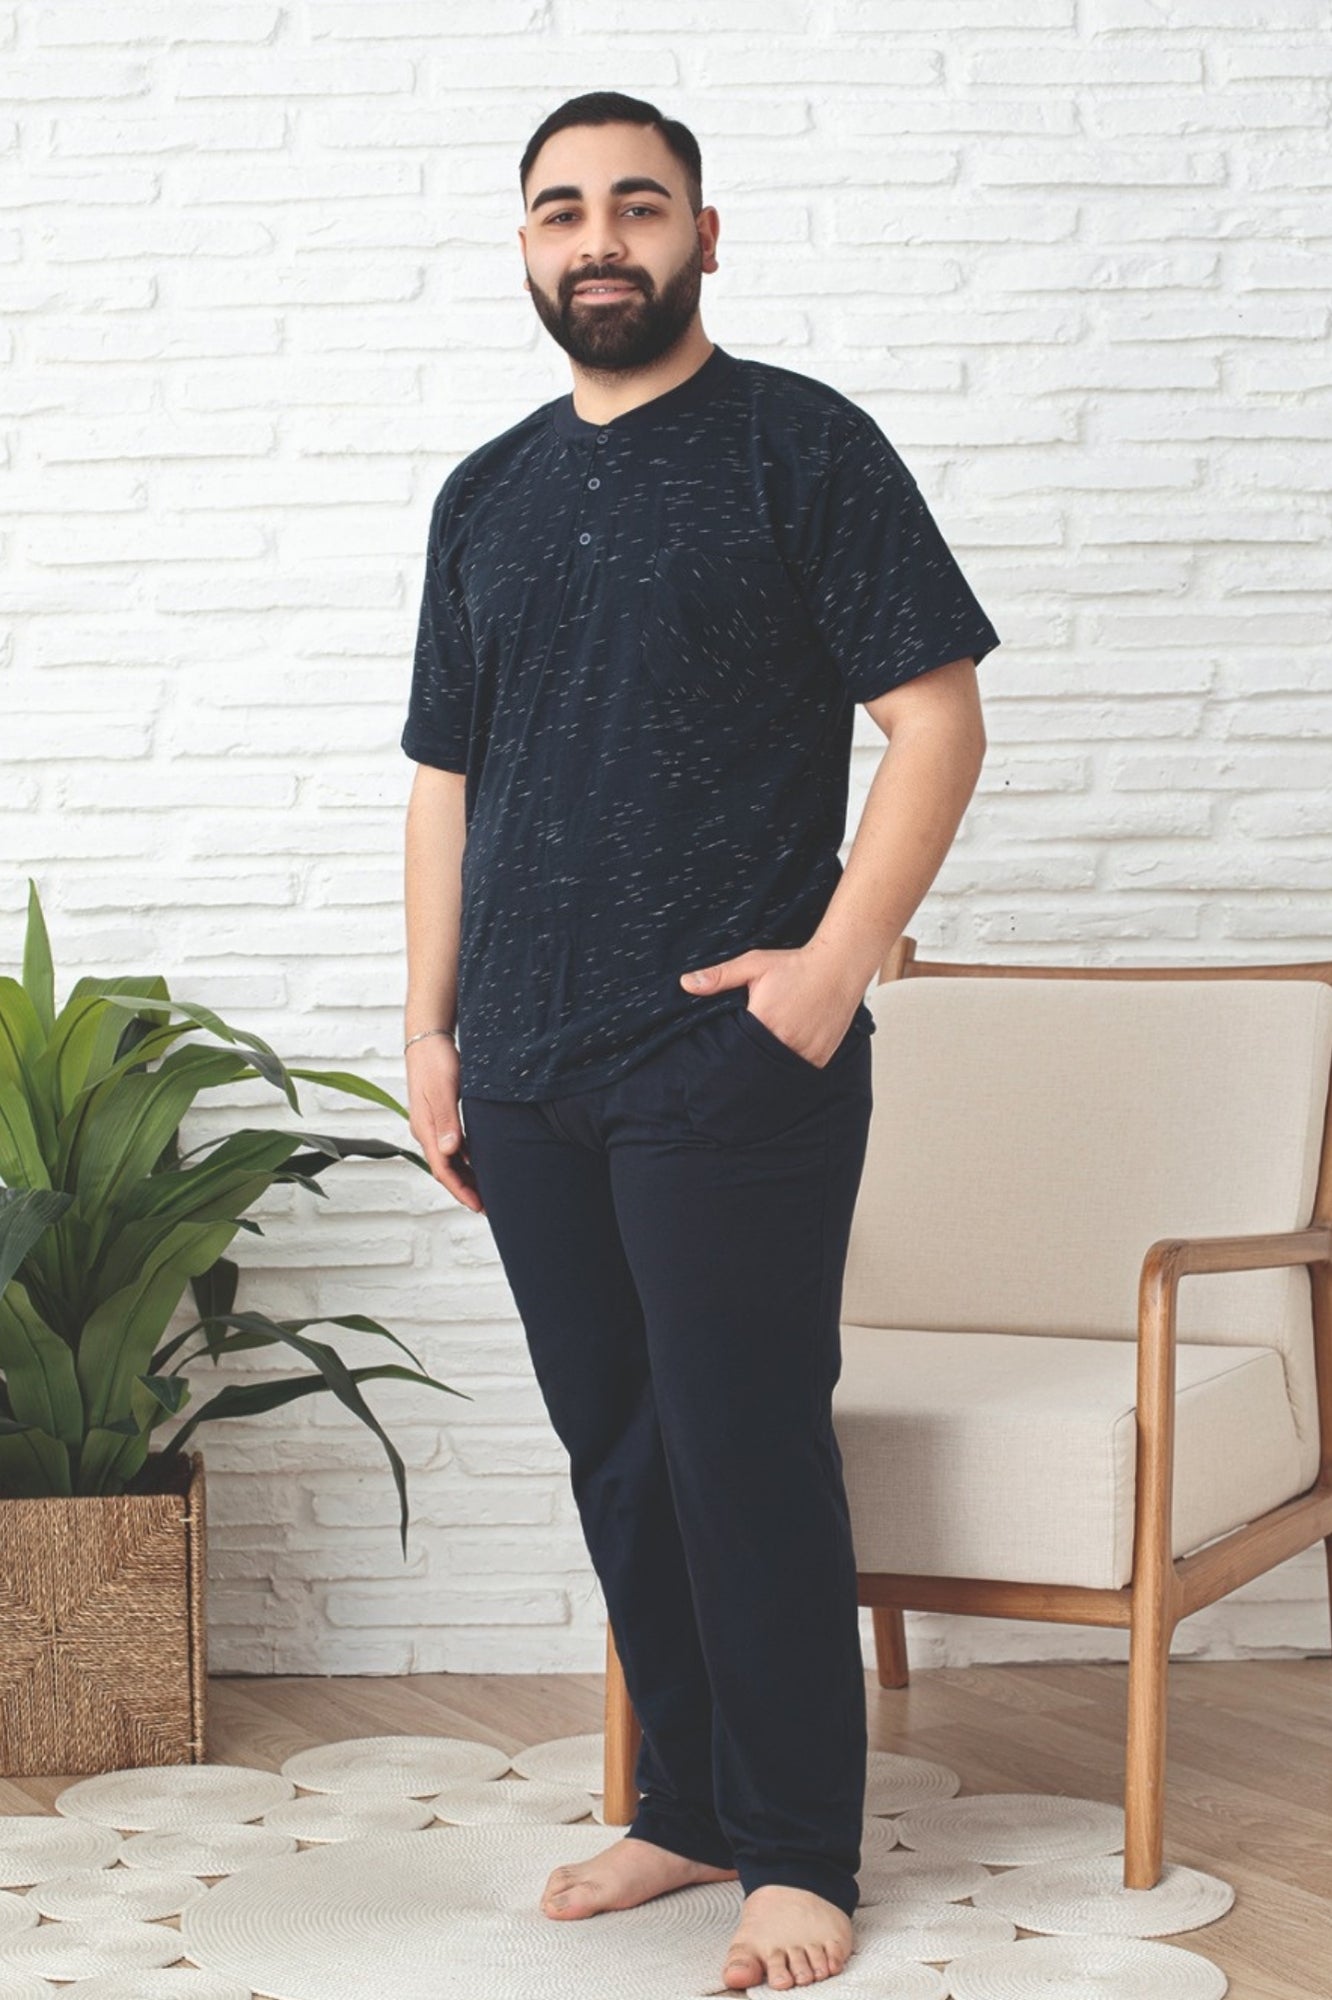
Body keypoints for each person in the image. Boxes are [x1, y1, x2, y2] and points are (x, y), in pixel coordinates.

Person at [401, 89, 1000, 1994]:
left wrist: (831, 971)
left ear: (703, 237)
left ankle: (799, 1853)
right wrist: (427, 1029)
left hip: (728, 1058)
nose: (600, 236)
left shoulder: (799, 444)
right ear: (525, 248)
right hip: (524, 1060)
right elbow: (445, 783)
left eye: (638, 204)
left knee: (742, 1446)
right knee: (620, 1448)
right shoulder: (484, 493)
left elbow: (938, 720)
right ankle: (687, 1805)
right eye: (562, 209)